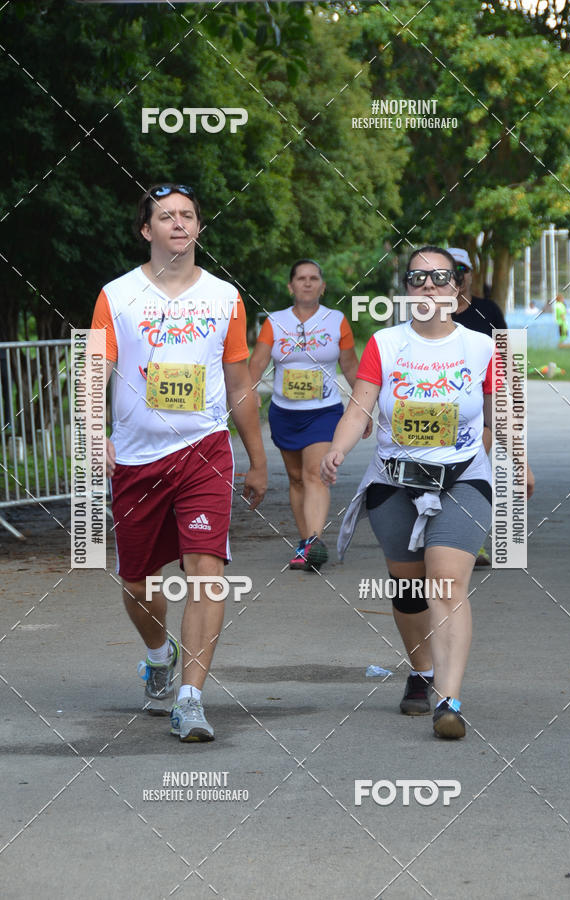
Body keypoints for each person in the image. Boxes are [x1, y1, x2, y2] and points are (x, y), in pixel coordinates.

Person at [321, 246, 534, 740]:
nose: (429, 286)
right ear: (407, 289)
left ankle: (449, 699)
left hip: (463, 476)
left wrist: (520, 459)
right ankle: (419, 670)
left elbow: (498, 409)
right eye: (418, 279)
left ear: (457, 289)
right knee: (411, 588)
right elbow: (360, 408)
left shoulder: (480, 347)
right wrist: (338, 449)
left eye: (440, 278)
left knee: (446, 582)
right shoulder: (386, 343)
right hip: (394, 480)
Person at [91, 183, 267, 742]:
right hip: (138, 458)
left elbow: (240, 383)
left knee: (206, 573)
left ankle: (190, 699)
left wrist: (256, 459)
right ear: (147, 231)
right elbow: (95, 368)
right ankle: (157, 651)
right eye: (165, 216)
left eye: (188, 216)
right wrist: (95, 432)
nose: (178, 224)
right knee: (138, 582)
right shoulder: (116, 296)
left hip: (204, 450)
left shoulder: (224, 297)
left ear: (198, 228)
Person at [249, 259, 364, 572]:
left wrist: (361, 405)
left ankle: (314, 541)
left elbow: (351, 365)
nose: (308, 283)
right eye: (301, 278)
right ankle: (305, 544)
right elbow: (257, 363)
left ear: (323, 286)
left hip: (324, 412)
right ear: (291, 286)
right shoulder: (275, 321)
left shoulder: (336, 320)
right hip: (285, 412)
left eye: (314, 278)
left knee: (315, 473)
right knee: (296, 478)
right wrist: (249, 393)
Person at [448, 247, 507, 567]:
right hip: (438, 410)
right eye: (450, 269)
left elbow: (506, 357)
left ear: (471, 273)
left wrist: (510, 399)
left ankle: (472, 542)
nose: (457, 275)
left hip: (479, 412)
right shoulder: (431, 313)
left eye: (462, 268)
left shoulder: (488, 310)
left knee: (470, 470)